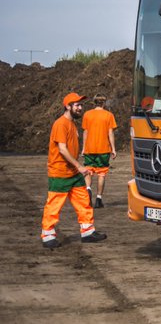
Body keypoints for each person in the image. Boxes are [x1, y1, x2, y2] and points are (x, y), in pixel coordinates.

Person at [41, 92, 106, 249]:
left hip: (73, 173)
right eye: (77, 105)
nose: (80, 108)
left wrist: (78, 168)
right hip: (60, 172)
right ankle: (47, 235)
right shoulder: (60, 124)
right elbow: (62, 149)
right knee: (54, 205)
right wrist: (80, 166)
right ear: (67, 106)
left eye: (81, 105)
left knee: (84, 201)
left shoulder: (71, 124)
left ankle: (88, 232)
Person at [81, 94, 117, 208]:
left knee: (88, 171)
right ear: (104, 103)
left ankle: (88, 189)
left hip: (89, 148)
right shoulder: (109, 115)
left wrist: (83, 148)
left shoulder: (87, 114)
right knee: (101, 174)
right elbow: (110, 133)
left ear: (94, 102)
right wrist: (113, 149)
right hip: (103, 149)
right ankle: (98, 199)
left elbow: (85, 132)